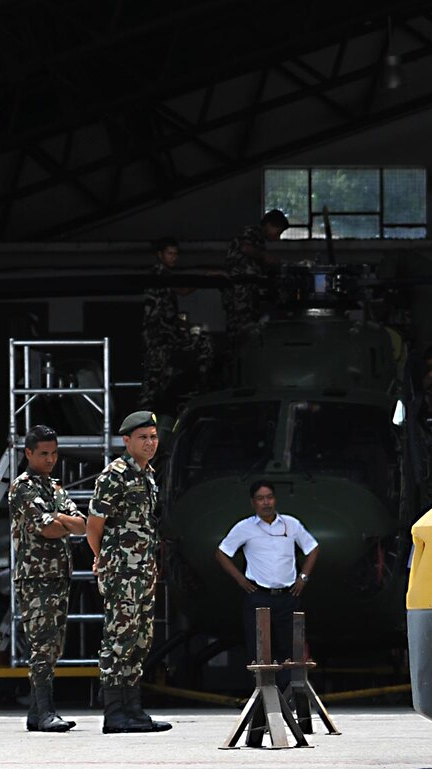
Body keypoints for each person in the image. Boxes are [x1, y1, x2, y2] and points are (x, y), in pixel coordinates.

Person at [214, 480, 321, 743]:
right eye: (261, 498)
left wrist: (303, 577)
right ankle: (262, 712)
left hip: (287, 595)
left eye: (270, 497)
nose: (266, 502)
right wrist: (241, 580)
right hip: (258, 595)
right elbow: (222, 553)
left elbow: (313, 548)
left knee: (290, 653)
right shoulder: (245, 527)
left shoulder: (291, 524)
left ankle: (289, 708)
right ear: (253, 502)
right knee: (259, 652)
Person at [86, 411, 172, 733]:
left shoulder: (147, 475)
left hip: (143, 572)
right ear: (126, 441)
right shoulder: (115, 475)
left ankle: (134, 710)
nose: (150, 443)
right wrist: (103, 560)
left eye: (153, 437)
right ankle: (114, 713)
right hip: (122, 573)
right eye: (143, 438)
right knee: (118, 639)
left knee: (140, 641)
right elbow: (93, 527)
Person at [8, 425, 85, 732]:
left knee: (54, 645)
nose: (50, 459)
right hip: (35, 577)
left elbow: (80, 524)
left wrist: (60, 519)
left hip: (57, 576)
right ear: (28, 453)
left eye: (54, 453)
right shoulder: (23, 487)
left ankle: (36, 712)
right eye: (44, 454)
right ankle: (46, 711)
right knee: (42, 644)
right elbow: (47, 528)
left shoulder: (54, 488)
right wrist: (61, 521)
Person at [142, 237, 212, 409]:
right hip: (159, 338)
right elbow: (182, 290)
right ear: (160, 255)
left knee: (160, 380)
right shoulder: (159, 274)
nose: (174, 257)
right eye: (169, 253)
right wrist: (205, 278)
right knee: (153, 382)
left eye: (175, 254)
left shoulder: (164, 274)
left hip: (167, 336)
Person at [223, 209, 288, 334]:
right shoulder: (251, 233)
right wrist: (265, 256)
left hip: (246, 293)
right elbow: (245, 248)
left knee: (246, 330)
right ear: (269, 225)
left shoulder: (258, 240)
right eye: (277, 232)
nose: (277, 237)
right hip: (239, 292)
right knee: (239, 330)